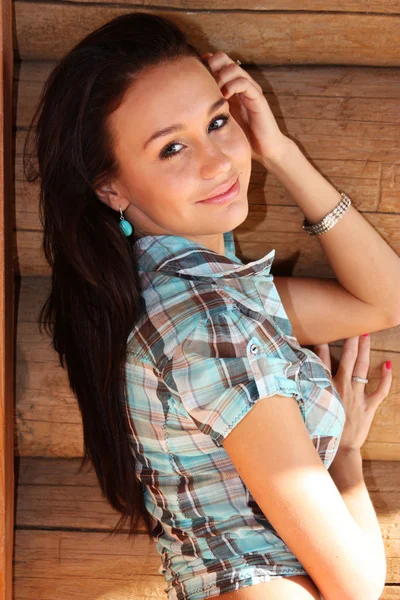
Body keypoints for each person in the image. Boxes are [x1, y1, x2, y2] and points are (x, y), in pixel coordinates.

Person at [23, 11, 400, 600]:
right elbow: (354, 585)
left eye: (218, 122)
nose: (219, 161)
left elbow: (385, 301)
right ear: (111, 188)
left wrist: (280, 151)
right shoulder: (208, 323)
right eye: (172, 148)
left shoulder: (191, 295)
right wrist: (347, 457)